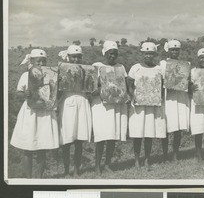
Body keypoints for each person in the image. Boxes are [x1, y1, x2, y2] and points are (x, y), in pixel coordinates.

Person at [10, 49, 59, 178]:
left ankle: (39, 178)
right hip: (30, 113)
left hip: (45, 114)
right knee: (28, 147)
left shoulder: (50, 75)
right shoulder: (25, 76)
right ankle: (28, 178)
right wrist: (24, 94)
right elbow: (18, 92)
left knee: (42, 147)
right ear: (31, 62)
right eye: (38, 61)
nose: (41, 64)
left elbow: (54, 93)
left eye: (43, 61)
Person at [127, 42, 166, 170]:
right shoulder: (135, 68)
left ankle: (147, 160)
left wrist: (158, 97)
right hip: (138, 105)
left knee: (149, 133)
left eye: (151, 53)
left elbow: (161, 86)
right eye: (146, 53)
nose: (148, 56)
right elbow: (130, 84)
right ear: (142, 54)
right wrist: (133, 95)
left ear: (155, 54)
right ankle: (137, 160)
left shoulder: (159, 69)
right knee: (138, 134)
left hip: (152, 105)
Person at [91, 40, 128, 174]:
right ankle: (97, 166)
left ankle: (107, 164)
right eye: (110, 53)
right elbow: (91, 85)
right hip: (101, 106)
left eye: (114, 53)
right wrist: (100, 88)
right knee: (101, 136)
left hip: (116, 105)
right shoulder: (97, 66)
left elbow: (123, 84)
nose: (112, 56)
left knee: (112, 135)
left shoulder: (121, 67)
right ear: (105, 53)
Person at [58, 45, 93, 176]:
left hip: (83, 102)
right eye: (73, 56)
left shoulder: (86, 70)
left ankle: (77, 169)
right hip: (68, 102)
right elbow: (57, 90)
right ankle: (67, 170)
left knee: (79, 139)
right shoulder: (62, 70)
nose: (76, 59)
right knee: (67, 139)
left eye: (78, 57)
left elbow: (90, 87)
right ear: (69, 57)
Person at [160, 39, 190, 162]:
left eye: (177, 50)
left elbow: (187, 80)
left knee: (178, 128)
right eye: (172, 49)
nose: (175, 52)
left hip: (180, 97)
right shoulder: (163, 63)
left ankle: (175, 154)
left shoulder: (185, 64)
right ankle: (165, 154)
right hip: (168, 98)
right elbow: (160, 79)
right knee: (166, 127)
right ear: (168, 50)